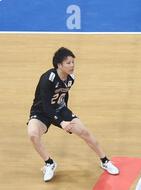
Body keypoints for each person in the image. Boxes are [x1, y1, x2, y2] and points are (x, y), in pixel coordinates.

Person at [27, 47, 119, 182]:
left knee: (84, 132)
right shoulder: (48, 79)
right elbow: (46, 106)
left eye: (73, 62)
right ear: (59, 65)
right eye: (68, 63)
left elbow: (64, 93)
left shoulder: (71, 78)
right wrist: (62, 122)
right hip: (41, 111)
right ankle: (49, 163)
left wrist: (67, 113)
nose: (72, 65)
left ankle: (105, 161)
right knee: (33, 134)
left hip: (59, 109)